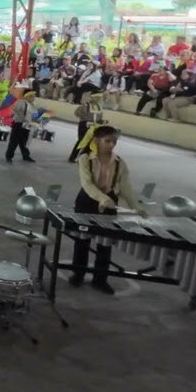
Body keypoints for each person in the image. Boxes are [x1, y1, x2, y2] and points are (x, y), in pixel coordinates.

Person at [70, 125, 143, 294]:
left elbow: (126, 187)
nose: (111, 145)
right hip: (87, 201)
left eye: (114, 141)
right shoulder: (85, 158)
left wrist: (136, 206)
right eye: (107, 141)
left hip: (110, 201)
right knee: (83, 240)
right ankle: (78, 274)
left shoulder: (119, 163)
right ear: (96, 141)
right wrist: (103, 198)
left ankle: (100, 279)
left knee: (105, 243)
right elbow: (87, 184)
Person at [67, 91, 106, 163]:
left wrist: (102, 121)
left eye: (99, 98)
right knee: (81, 141)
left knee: (90, 143)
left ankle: (83, 158)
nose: (98, 99)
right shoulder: (86, 105)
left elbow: (99, 117)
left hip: (94, 126)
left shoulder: (99, 106)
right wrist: (86, 120)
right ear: (93, 97)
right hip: (84, 125)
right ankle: (72, 157)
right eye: (97, 97)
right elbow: (77, 113)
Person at [5, 91, 37, 164]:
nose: (33, 98)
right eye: (32, 96)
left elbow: (34, 114)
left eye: (34, 96)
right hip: (18, 123)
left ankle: (26, 155)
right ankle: (9, 156)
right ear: (27, 96)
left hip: (27, 125)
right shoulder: (21, 102)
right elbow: (14, 109)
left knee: (24, 142)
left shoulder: (33, 104)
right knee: (14, 141)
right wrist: (22, 116)